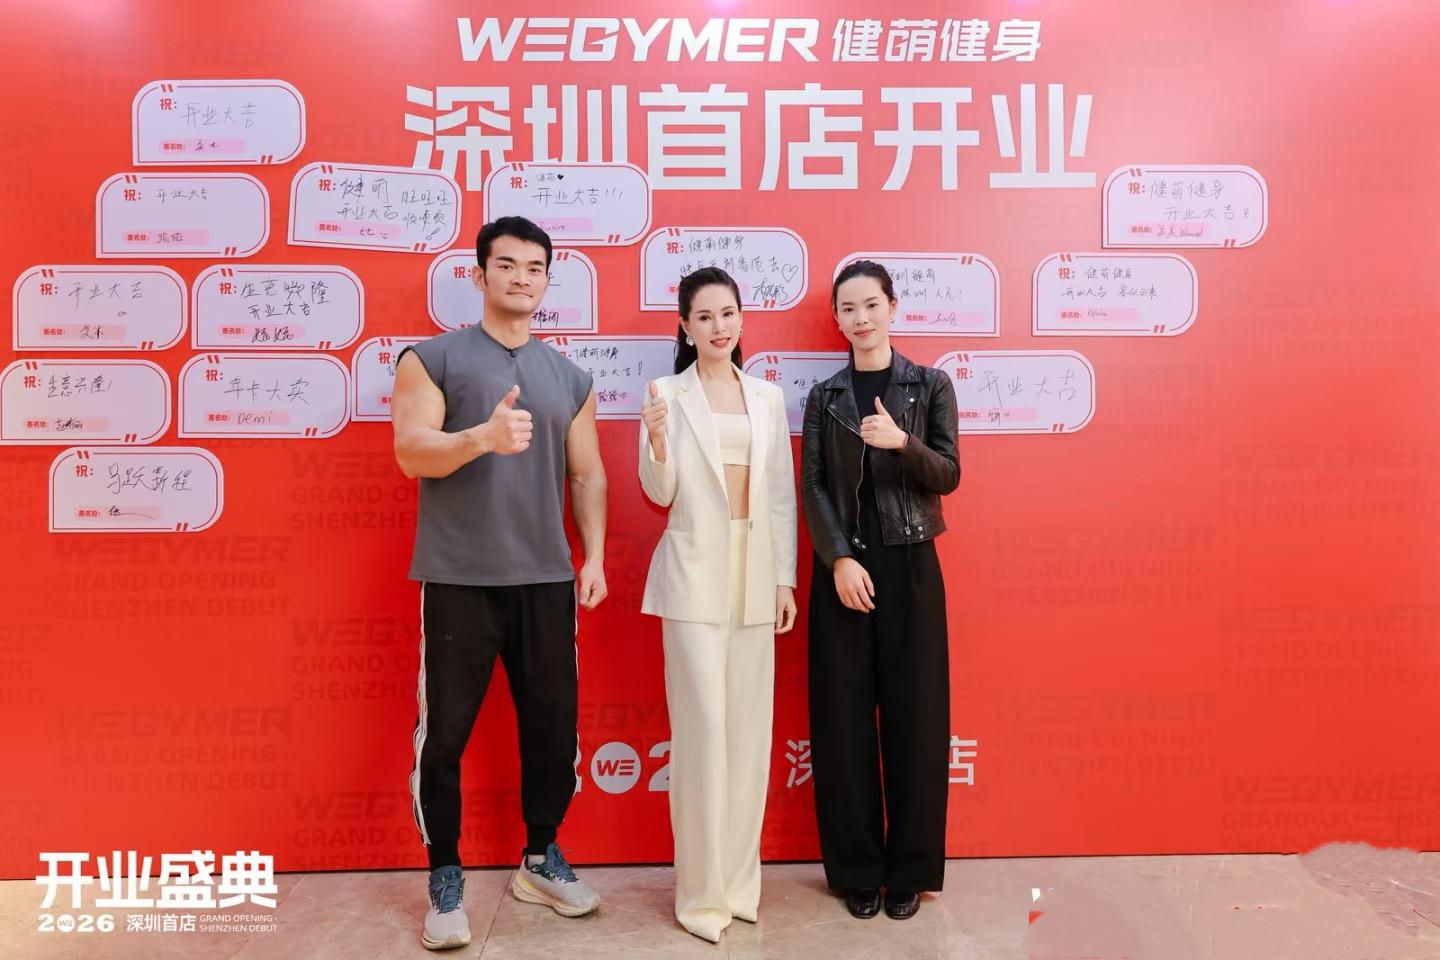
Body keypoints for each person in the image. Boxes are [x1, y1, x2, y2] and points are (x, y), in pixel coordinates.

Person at [390, 216, 609, 950]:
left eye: (535, 267)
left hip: (546, 578)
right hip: (458, 578)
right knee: (445, 734)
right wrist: (481, 437)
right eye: (507, 265)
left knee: (552, 727)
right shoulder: (433, 359)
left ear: (547, 280)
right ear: (479, 276)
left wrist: (594, 558)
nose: (522, 277)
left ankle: (540, 858)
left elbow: (588, 474)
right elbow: (411, 452)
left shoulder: (569, 376)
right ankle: (445, 877)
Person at [637, 267, 798, 942]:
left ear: (740, 318)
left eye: (727, 314)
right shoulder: (665, 394)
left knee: (749, 738)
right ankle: (701, 896)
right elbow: (660, 492)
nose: (718, 327)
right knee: (703, 732)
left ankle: (737, 888)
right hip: (692, 575)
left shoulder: (767, 396)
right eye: (704, 317)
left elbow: (781, 494)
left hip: (754, 573)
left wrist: (784, 579)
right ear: (684, 326)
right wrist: (656, 441)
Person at [800, 260, 960, 922]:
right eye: (848, 308)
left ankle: (910, 873)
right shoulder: (825, 397)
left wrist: (901, 443)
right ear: (837, 318)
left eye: (871, 304)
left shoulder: (931, 385)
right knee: (842, 726)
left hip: (911, 567)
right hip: (844, 572)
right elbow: (812, 485)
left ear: (892, 307)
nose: (860, 318)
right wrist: (838, 558)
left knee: (916, 721)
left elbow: (948, 474)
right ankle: (857, 871)